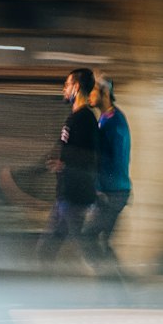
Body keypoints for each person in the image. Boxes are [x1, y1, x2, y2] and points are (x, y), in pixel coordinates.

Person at [38, 68, 98, 267]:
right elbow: (61, 149)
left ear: (77, 87)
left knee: (86, 248)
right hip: (66, 196)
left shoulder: (86, 119)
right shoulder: (74, 119)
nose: (64, 89)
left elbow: (91, 157)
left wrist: (65, 165)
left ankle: (117, 285)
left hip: (74, 198)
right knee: (47, 250)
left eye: (67, 84)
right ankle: (116, 284)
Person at [82, 74, 132, 278]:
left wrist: (101, 189)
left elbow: (117, 161)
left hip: (114, 192)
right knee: (101, 240)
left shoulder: (115, 122)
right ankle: (120, 283)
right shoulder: (106, 119)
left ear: (104, 93)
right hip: (114, 190)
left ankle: (113, 282)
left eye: (92, 92)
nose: (88, 97)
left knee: (88, 237)